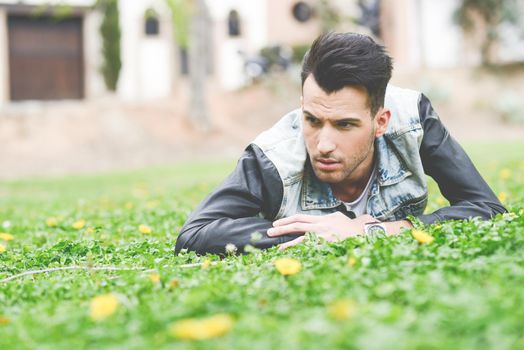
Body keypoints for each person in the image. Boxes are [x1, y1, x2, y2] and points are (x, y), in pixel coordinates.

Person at [174, 32, 506, 255]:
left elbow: (487, 208)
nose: (323, 145)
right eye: (312, 121)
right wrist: (314, 233)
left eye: (345, 124)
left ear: (381, 122)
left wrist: (372, 231)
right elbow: (194, 234)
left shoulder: (413, 120)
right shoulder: (272, 156)